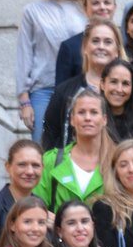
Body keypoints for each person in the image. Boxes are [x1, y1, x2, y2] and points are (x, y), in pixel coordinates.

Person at [16, 0, 86, 142]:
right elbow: (24, 56)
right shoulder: (32, 12)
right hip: (44, 91)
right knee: (43, 151)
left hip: (78, 89)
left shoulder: (82, 10)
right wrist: (24, 102)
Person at [42, 17, 124, 151]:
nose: (101, 46)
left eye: (108, 42)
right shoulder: (64, 91)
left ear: (117, 51)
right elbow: (51, 135)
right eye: (95, 41)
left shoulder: (131, 89)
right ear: (85, 47)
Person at [34, 88, 111, 211]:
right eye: (81, 112)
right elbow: (35, 208)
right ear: (72, 120)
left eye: (94, 112)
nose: (87, 118)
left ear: (104, 120)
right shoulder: (51, 161)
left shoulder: (116, 162)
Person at [54, 0, 119, 87]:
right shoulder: (69, 47)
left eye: (107, 2)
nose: (102, 7)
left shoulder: (124, 41)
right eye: (95, 3)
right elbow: (61, 90)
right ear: (85, 8)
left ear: (114, 7)